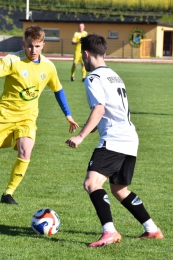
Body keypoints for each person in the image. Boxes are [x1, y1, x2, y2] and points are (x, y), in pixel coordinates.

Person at [0, 25, 79, 205]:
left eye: (37, 46)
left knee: (25, 151)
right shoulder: (12, 60)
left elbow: (58, 90)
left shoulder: (49, 67)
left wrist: (68, 114)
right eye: (30, 46)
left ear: (43, 45)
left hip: (27, 117)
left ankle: (8, 194)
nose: (33, 50)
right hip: (4, 115)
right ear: (24, 44)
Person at [65, 34, 164, 247]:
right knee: (119, 189)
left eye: (83, 56)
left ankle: (109, 231)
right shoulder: (114, 75)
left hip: (114, 140)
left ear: (86, 54)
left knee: (92, 183)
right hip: (130, 138)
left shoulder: (93, 78)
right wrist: (88, 129)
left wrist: (81, 136)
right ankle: (152, 229)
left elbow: (100, 109)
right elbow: (110, 111)